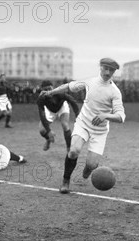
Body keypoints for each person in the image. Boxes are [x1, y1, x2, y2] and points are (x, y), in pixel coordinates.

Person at [40, 58, 126, 194]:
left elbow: (121, 117)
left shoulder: (115, 92)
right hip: (83, 124)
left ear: (114, 72)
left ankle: (88, 168)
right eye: (106, 68)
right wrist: (51, 92)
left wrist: (105, 116)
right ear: (100, 67)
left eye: (111, 70)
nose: (108, 72)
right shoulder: (90, 82)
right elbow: (68, 86)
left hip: (100, 131)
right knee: (73, 151)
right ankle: (65, 181)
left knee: (92, 164)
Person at [37, 80, 81, 152]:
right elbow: (42, 115)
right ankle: (48, 140)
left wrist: (77, 115)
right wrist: (49, 131)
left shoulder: (59, 93)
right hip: (49, 110)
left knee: (65, 125)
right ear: (42, 90)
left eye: (49, 88)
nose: (48, 91)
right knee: (42, 130)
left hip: (62, 107)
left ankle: (69, 148)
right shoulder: (41, 98)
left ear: (53, 88)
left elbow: (72, 101)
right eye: (45, 89)